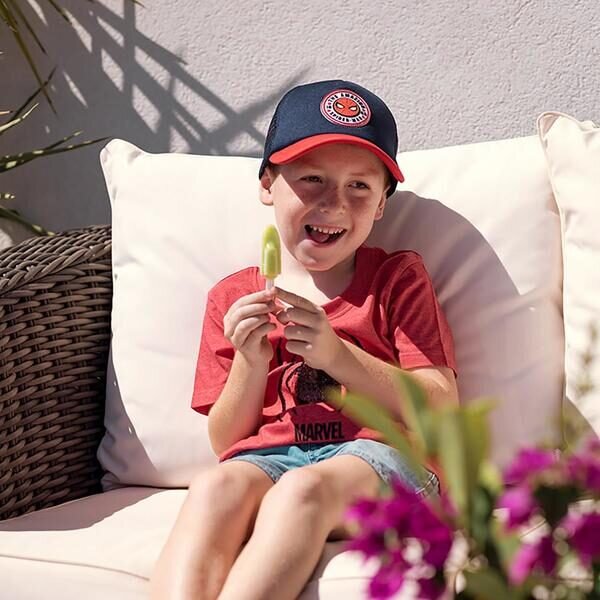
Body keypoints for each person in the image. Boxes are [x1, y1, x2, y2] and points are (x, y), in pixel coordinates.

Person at [149, 79, 459, 600]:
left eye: (359, 186)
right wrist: (251, 361)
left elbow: (441, 403)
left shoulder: (396, 280)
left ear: (382, 205)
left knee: (303, 490)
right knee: (213, 488)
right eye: (312, 178)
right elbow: (227, 442)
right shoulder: (233, 297)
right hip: (268, 458)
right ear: (267, 183)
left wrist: (338, 355)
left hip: (385, 459)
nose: (334, 203)